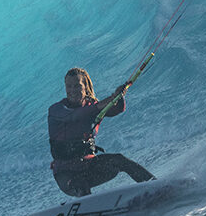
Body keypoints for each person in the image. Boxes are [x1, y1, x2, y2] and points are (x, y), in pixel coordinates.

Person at [48, 67, 155, 197]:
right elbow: (75, 116)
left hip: (89, 167)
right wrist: (106, 101)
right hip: (66, 174)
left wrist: (119, 97)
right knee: (80, 185)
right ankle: (89, 211)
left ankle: (155, 186)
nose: (72, 90)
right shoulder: (56, 110)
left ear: (85, 87)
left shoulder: (91, 105)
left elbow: (115, 110)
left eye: (77, 86)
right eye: (69, 86)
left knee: (119, 160)